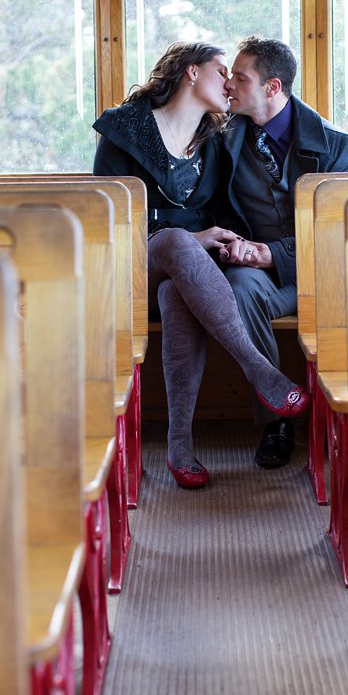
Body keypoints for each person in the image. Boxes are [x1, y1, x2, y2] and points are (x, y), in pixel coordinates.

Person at [92, 41, 309, 490]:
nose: (228, 83)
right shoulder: (124, 131)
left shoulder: (215, 143)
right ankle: (260, 371)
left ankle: (179, 448)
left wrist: (227, 242)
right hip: (130, 269)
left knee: (176, 293)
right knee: (174, 240)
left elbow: (222, 215)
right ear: (192, 72)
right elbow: (107, 219)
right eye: (221, 71)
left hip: (186, 278)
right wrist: (191, 239)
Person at [212, 36, 348, 469]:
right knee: (239, 289)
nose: (229, 85)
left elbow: (340, 230)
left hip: (324, 274)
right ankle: (276, 419)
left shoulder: (340, 148)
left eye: (240, 78)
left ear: (272, 87)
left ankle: (345, 418)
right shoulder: (222, 140)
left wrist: (275, 253)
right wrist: (237, 247)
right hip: (260, 279)